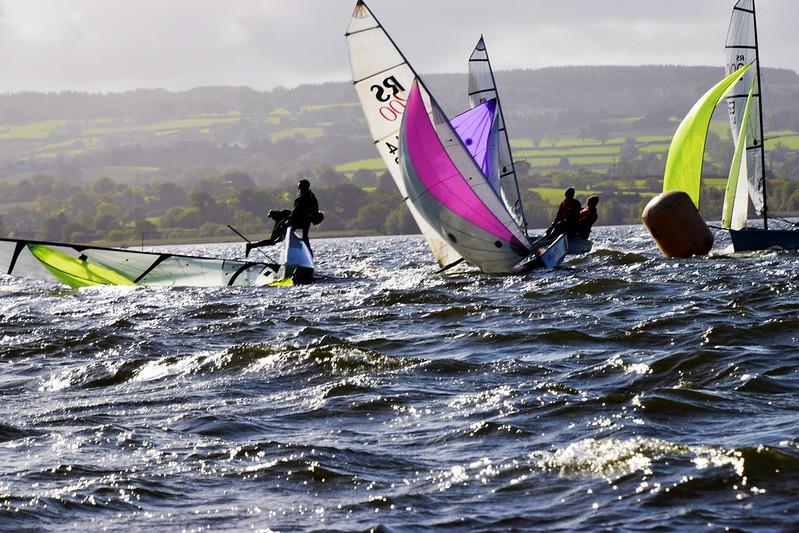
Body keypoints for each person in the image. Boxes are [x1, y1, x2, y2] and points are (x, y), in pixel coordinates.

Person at [245, 179, 322, 257]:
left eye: (300, 187)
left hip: (298, 220)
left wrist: (310, 254)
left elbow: (298, 216)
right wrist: (284, 225)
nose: (298, 189)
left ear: (305, 187)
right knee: (272, 241)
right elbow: (293, 215)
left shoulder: (308, 198)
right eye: (298, 187)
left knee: (301, 237)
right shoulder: (304, 198)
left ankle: (308, 256)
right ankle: (251, 246)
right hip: (288, 220)